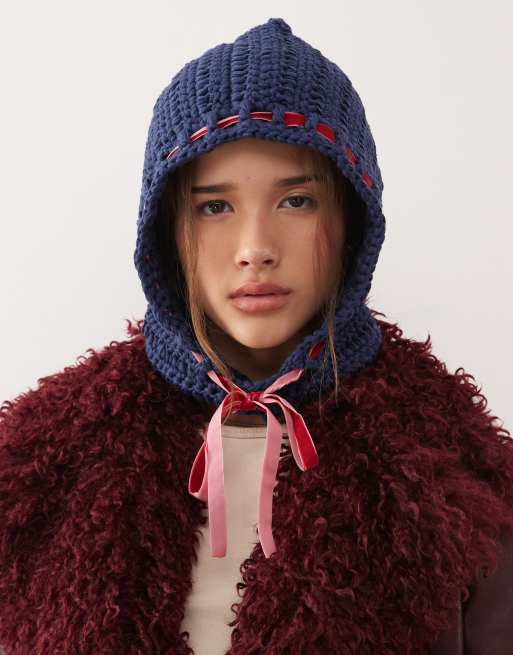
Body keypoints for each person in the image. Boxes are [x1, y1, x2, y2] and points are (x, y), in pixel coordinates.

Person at [1, 16, 513, 655]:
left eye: (296, 201)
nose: (255, 248)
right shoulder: (37, 468)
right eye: (214, 206)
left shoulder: (459, 473)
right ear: (167, 230)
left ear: (352, 218)